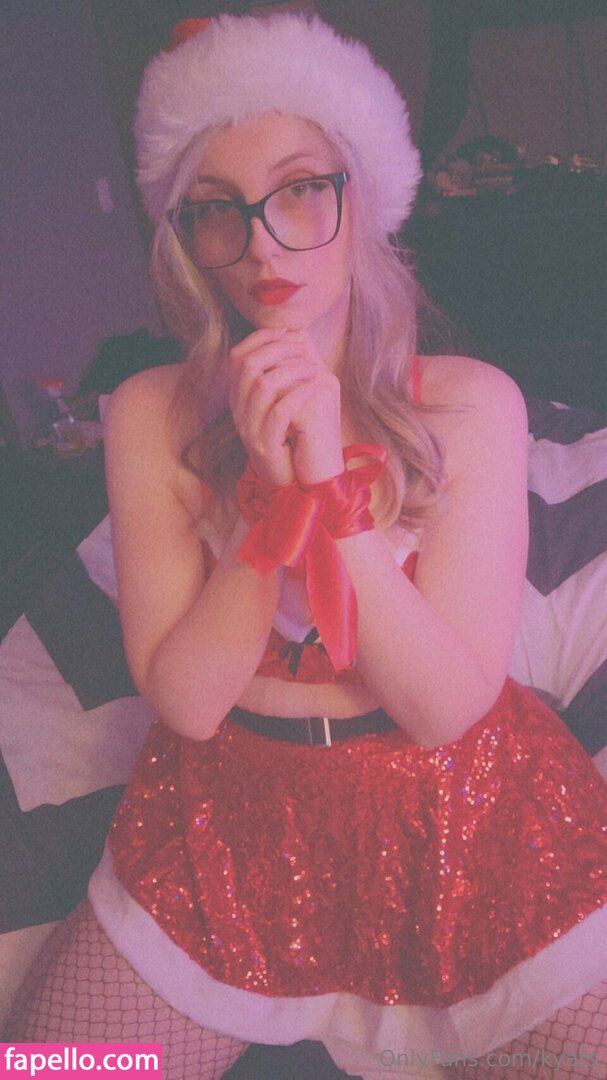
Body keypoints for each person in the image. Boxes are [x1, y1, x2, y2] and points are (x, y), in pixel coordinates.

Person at [6, 12, 607, 1080]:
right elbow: (188, 700)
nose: (262, 244)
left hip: (459, 826)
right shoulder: (148, 410)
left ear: (358, 199)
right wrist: (265, 498)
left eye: (298, 191)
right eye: (218, 209)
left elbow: (443, 705)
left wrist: (330, 486)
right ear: (186, 235)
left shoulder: (470, 403)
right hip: (226, 833)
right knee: (52, 1069)